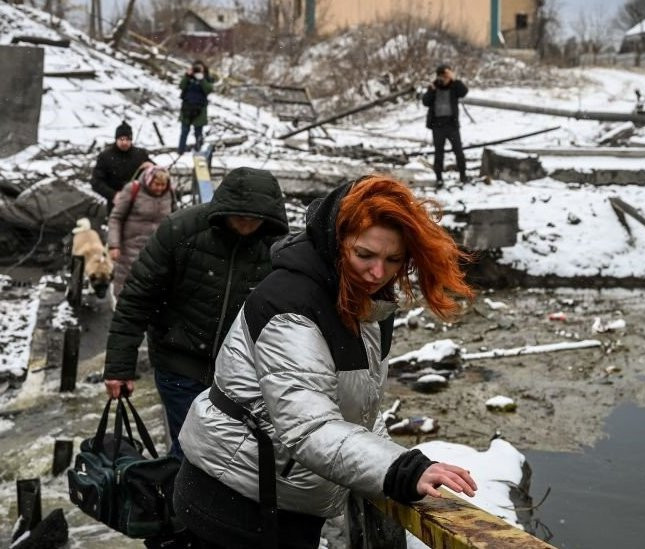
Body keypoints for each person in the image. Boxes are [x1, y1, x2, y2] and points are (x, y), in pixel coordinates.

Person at [175, 175, 478, 548]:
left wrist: (393, 464)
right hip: (237, 502)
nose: (378, 272)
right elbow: (310, 427)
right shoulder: (292, 306)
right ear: (336, 243)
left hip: (283, 495)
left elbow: (357, 410)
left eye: (393, 260)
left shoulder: (367, 303)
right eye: (364, 255)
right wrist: (400, 470)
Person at [102, 166, 289, 459]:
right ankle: (176, 498)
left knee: (228, 455)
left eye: (254, 219)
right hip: (180, 361)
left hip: (240, 371)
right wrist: (118, 367)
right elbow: (138, 296)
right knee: (193, 450)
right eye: (239, 216)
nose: (245, 224)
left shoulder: (278, 250)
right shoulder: (181, 231)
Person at [107, 165, 176, 297]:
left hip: (158, 249)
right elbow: (116, 218)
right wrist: (114, 245)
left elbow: (175, 217)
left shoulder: (169, 193)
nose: (160, 188)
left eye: (163, 185)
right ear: (149, 180)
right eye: (156, 184)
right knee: (127, 285)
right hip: (131, 248)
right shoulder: (133, 190)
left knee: (154, 287)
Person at [91, 120, 153, 213]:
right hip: (115, 204)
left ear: (131, 140)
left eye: (127, 139)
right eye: (121, 139)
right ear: (116, 139)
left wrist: (151, 167)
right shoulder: (105, 156)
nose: (124, 143)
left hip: (139, 202)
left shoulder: (140, 154)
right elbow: (96, 182)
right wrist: (113, 195)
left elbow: (159, 174)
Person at [422, 63, 469, 185]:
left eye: (447, 76)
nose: (445, 79)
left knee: (458, 151)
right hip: (438, 126)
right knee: (439, 153)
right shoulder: (434, 86)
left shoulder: (454, 86)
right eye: (443, 76)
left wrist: (454, 79)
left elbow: (464, 92)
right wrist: (431, 91)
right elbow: (425, 102)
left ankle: (463, 175)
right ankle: (439, 178)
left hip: (452, 125)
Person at [177, 61, 213, 154]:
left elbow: (208, 90)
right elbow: (181, 86)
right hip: (186, 109)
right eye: (195, 68)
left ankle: (199, 150)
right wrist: (187, 75)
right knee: (184, 131)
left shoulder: (206, 78)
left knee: (198, 133)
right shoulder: (189, 78)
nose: (197, 70)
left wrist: (202, 79)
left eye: (199, 68)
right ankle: (180, 150)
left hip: (200, 110)